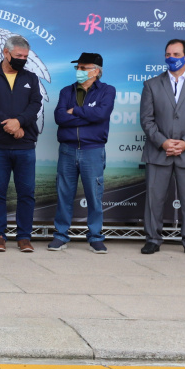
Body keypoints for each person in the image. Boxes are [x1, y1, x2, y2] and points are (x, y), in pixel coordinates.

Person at [138, 39, 185, 257]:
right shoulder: (151, 85)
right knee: (154, 199)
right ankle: (152, 239)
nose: (171, 58)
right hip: (158, 151)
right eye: (168, 54)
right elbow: (146, 120)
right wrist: (163, 142)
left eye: (176, 54)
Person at [0, 35, 43, 253]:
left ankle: (24, 237)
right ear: (6, 53)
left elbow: (36, 104)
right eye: (18, 56)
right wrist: (8, 124)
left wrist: (20, 123)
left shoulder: (31, 78)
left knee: (27, 193)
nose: (22, 60)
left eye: (25, 57)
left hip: (25, 145)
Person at [48, 52, 115, 254]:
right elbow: (59, 117)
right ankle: (60, 236)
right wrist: (87, 116)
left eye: (83, 68)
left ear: (96, 71)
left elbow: (101, 114)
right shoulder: (66, 91)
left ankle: (95, 237)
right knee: (64, 194)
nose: (79, 71)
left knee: (94, 196)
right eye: (77, 67)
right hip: (67, 150)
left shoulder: (107, 91)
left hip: (92, 151)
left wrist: (74, 112)